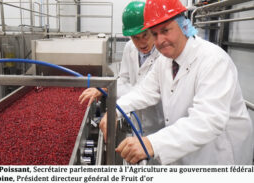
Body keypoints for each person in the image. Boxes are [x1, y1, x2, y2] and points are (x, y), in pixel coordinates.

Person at [100, 0, 253, 165]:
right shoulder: (165, 61)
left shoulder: (213, 60)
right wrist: (116, 110)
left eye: (165, 30)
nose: (160, 41)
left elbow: (208, 119)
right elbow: (144, 91)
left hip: (219, 156)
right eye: (155, 33)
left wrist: (153, 143)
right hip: (187, 155)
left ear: (183, 24)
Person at [79, 1, 164, 136]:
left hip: (159, 124)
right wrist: (105, 88)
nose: (141, 42)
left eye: (145, 35)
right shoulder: (130, 47)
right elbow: (124, 80)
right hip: (137, 122)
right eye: (135, 37)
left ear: (152, 29)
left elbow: (150, 91)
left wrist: (116, 110)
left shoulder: (164, 54)